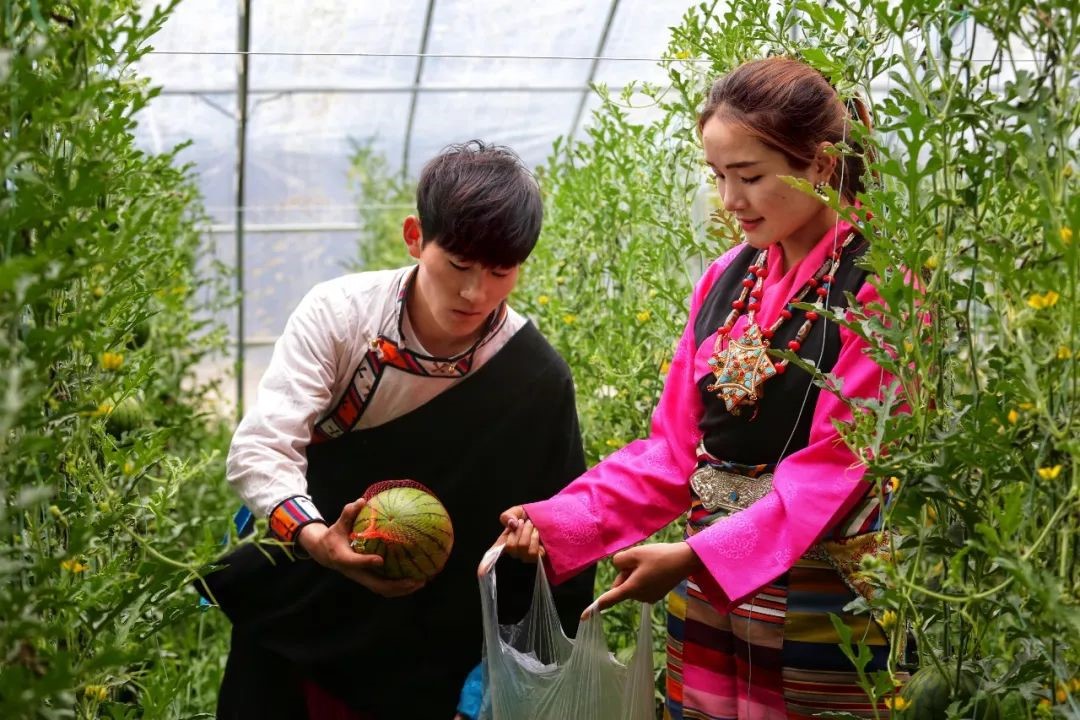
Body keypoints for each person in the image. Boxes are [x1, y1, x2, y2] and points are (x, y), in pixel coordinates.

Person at [499, 57, 907, 719]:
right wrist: (555, 522)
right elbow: (672, 453)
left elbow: (839, 470)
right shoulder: (725, 278)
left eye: (748, 177)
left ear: (823, 166)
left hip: (822, 595)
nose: (729, 201)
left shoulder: (882, 287)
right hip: (711, 595)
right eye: (718, 177)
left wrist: (695, 556)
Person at [198, 140, 595, 720]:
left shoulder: (535, 376)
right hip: (302, 609)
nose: (475, 293)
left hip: (425, 646)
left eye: (500, 271)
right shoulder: (341, 315)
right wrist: (316, 538)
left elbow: (563, 527)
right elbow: (261, 448)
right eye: (458, 264)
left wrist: (535, 540)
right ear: (415, 236)